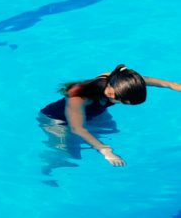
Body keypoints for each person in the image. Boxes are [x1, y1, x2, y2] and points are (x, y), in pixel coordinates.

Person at [39, 64, 181, 170]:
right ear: (113, 95)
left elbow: (164, 83)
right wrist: (105, 150)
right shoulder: (78, 97)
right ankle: (49, 165)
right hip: (57, 119)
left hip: (94, 112)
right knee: (70, 154)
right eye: (124, 102)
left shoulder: (121, 80)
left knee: (112, 131)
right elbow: (77, 128)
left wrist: (175, 86)